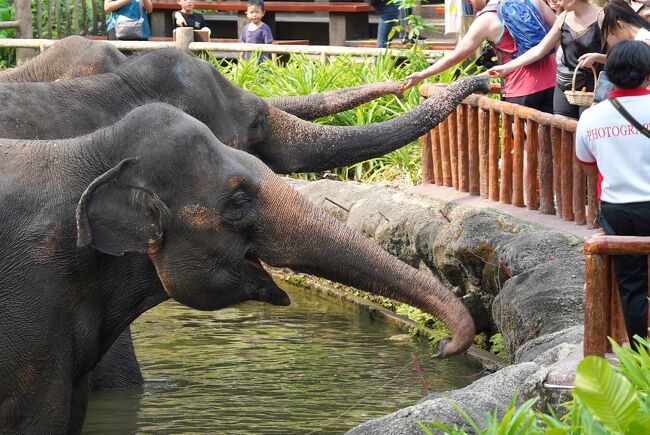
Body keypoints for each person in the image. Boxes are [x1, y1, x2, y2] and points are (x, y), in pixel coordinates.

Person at [575, 40, 650, 347]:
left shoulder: (591, 117)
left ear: (609, 73)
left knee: (631, 286)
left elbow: (588, 166)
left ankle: (638, 358)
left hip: (618, 209)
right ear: (647, 74)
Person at [403, 0, 557, 114]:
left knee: (523, 148)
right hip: (553, 82)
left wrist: (422, 74)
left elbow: (456, 56)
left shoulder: (487, 19)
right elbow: (562, 29)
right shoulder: (533, 1)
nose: (469, 3)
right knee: (551, 142)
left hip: (520, 89)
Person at [489, 0, 604, 119]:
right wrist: (505, 68)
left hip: (593, 86)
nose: (556, 3)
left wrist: (598, 57)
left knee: (587, 129)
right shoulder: (563, 18)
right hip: (565, 84)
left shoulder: (602, 17)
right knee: (561, 129)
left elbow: (621, 55)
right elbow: (539, 50)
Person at [579, 0, 650, 68]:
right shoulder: (638, 41)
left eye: (613, 32)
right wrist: (596, 57)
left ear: (620, 25)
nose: (616, 37)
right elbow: (624, 61)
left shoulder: (645, 42)